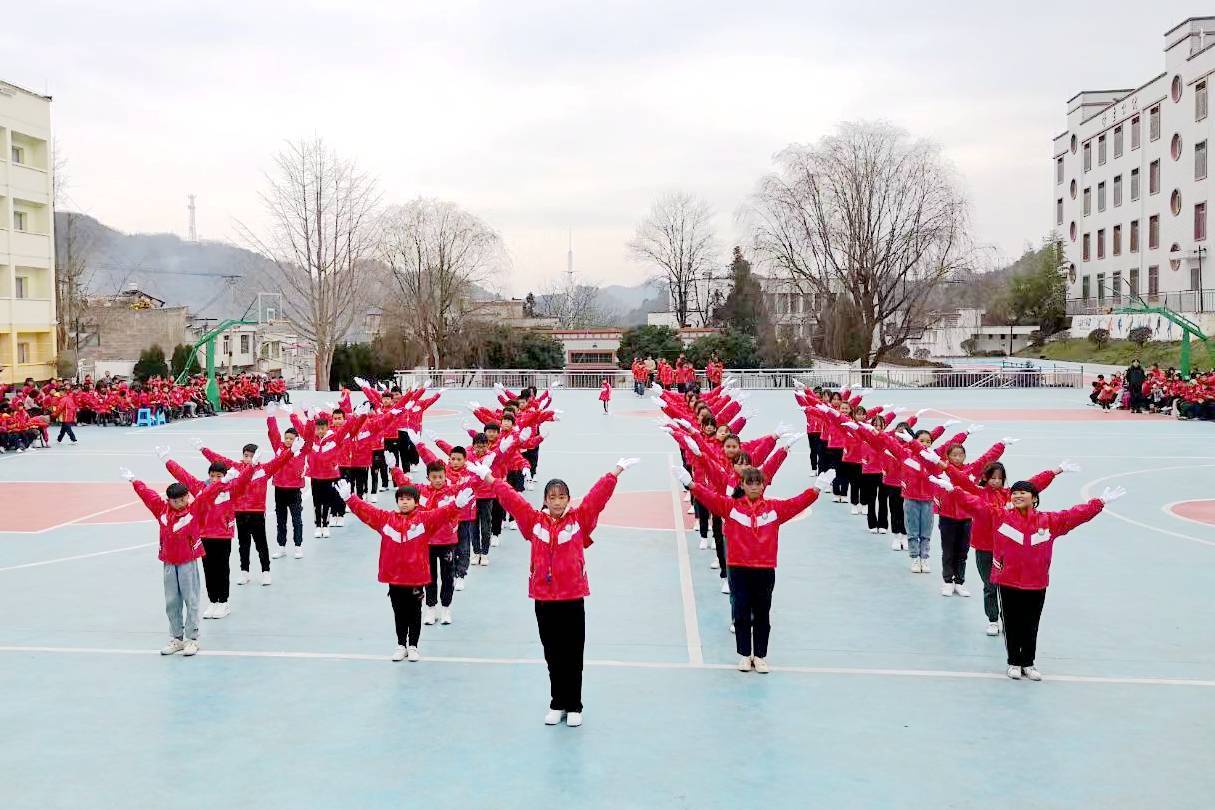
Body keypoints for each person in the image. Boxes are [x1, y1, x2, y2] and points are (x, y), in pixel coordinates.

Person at [466, 456, 639, 728]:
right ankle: (557, 703)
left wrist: (614, 473)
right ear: (545, 500)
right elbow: (512, 499)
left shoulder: (579, 520)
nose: (557, 501)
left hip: (572, 597)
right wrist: (490, 478)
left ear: (569, 499)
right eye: (552, 497)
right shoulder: (533, 522)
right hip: (544, 599)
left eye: (562, 497)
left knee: (573, 654)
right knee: (552, 653)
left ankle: (574, 705)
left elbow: (596, 499)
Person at [933, 474, 1124, 680]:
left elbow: (1073, 515)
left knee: (1031, 624)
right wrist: (954, 491)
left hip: (1036, 582)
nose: (1017, 496)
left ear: (1034, 498)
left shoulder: (1049, 521)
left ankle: (1029, 663)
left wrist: (1099, 503)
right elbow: (977, 505)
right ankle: (1014, 662)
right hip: (1008, 580)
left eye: (1022, 492)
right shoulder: (1000, 517)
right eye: (1014, 493)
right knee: (1012, 624)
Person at [680, 464, 835, 673]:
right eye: (749, 483)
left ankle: (760, 656)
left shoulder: (774, 509)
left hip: (764, 568)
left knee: (762, 613)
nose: (754, 487)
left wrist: (816, 489)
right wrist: (690, 483)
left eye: (757, 483)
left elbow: (796, 503)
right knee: (741, 611)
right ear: (742, 485)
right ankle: (745, 655)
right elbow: (709, 498)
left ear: (763, 486)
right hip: (738, 568)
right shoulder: (730, 507)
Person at [336, 478, 471, 661]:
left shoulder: (425, 520)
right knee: (399, 612)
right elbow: (367, 511)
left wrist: (457, 504)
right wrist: (350, 499)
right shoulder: (385, 519)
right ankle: (401, 645)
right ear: (397, 501)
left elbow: (443, 513)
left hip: (415, 577)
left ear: (416, 502)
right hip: (394, 577)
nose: (404, 502)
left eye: (408, 499)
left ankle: (414, 646)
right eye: (401, 499)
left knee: (414, 613)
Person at [122, 465, 235, 656]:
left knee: (191, 600)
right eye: (177, 500)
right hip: (169, 564)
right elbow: (147, 495)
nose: (182, 502)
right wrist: (134, 480)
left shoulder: (194, 510)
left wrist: (222, 482)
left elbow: (207, 495)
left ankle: (192, 639)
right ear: (169, 500)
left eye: (184, 498)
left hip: (187, 563)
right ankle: (176, 638)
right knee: (172, 602)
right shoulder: (161, 511)